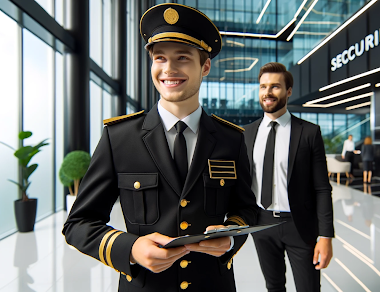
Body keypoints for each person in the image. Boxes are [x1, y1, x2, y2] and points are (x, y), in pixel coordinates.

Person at [62, 4, 259, 291]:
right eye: (160, 58)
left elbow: (246, 209)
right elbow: (79, 223)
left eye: (182, 58)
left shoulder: (231, 139)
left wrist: (231, 237)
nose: (169, 69)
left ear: (205, 66)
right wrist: (130, 248)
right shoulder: (119, 137)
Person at [244, 62, 334, 292]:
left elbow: (322, 188)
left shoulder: (309, 132)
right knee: (273, 286)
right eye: (263, 86)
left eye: (275, 86)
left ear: (288, 91)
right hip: (261, 224)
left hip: (299, 224)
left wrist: (325, 236)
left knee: (308, 288)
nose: (267, 92)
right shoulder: (248, 133)